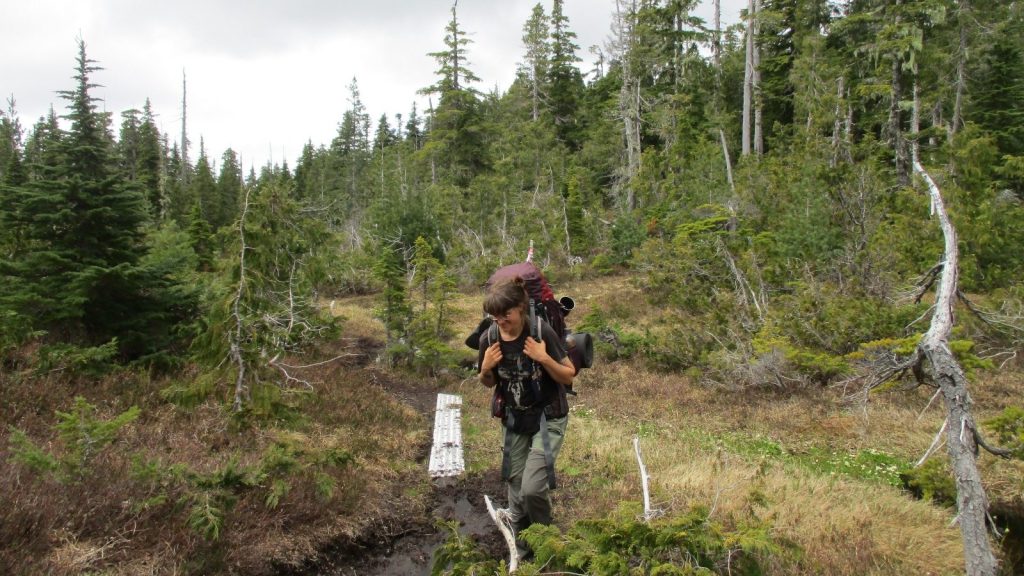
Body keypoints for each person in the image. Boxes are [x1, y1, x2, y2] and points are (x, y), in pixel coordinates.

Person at [478, 277, 576, 560]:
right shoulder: (490, 338)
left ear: (520, 308)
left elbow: (568, 375)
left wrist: (543, 358)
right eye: (495, 316)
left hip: (548, 417)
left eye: (505, 315)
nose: (501, 322)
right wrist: (485, 368)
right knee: (516, 488)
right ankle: (522, 549)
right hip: (514, 420)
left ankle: (547, 542)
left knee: (532, 489)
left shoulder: (540, 332)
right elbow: (488, 382)